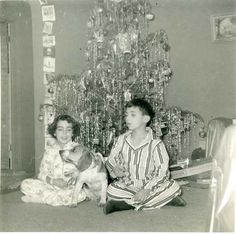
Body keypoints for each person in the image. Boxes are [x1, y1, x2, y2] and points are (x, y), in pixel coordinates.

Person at [104, 98, 186, 214]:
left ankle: (127, 204)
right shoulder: (121, 140)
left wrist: (147, 189)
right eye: (126, 115)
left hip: (151, 186)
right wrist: (115, 168)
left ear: (145, 119)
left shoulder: (156, 144)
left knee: (173, 187)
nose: (127, 118)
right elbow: (111, 159)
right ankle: (161, 201)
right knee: (111, 190)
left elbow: (162, 171)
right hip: (129, 185)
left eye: (133, 115)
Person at [20, 114, 86, 206]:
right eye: (60, 129)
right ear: (54, 132)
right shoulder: (49, 151)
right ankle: (54, 198)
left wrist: (73, 179)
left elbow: (84, 172)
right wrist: (53, 181)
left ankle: (40, 199)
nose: (64, 133)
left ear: (73, 132)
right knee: (25, 184)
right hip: (50, 186)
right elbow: (42, 174)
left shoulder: (78, 150)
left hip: (69, 188)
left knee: (80, 194)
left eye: (68, 130)